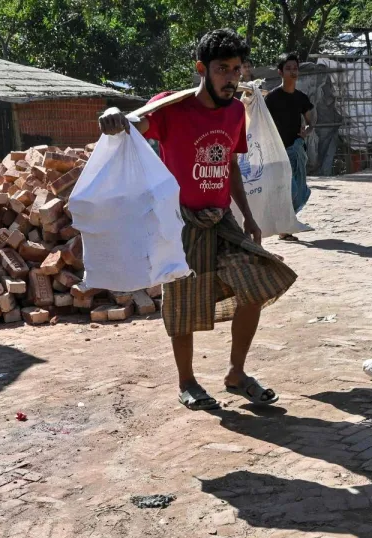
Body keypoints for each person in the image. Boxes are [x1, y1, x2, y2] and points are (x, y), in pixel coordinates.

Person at [98, 29, 297, 411]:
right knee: (183, 303)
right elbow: (133, 127)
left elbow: (231, 165)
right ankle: (187, 382)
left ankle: (236, 374)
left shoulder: (236, 112)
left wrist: (248, 216)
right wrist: (113, 118)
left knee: (257, 283)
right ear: (201, 69)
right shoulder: (171, 107)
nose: (231, 78)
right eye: (222, 69)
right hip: (179, 223)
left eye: (236, 70)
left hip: (222, 220)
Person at [265, 52, 315, 240]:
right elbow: (262, 121)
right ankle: (284, 227)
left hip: (296, 150)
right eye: (288, 68)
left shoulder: (301, 98)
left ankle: (285, 226)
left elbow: (311, 120)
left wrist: (307, 131)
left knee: (298, 190)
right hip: (277, 151)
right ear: (280, 72)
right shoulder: (272, 98)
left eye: (295, 68)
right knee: (288, 189)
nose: (293, 72)